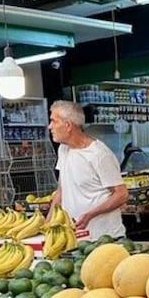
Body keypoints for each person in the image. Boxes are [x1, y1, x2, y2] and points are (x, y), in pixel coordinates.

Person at [48, 100, 127, 240]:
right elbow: (62, 189)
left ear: (68, 125)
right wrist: (48, 221)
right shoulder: (63, 149)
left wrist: (91, 214)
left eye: (54, 121)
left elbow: (121, 194)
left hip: (104, 238)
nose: (50, 127)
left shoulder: (99, 154)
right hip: (76, 238)